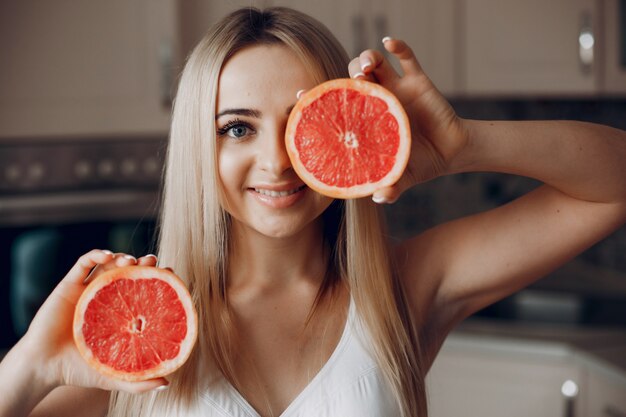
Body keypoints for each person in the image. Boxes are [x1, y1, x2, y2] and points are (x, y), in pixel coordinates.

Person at [1, 6, 625, 417]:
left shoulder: (403, 291)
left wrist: (464, 144)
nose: (277, 160)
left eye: (302, 121)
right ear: (199, 145)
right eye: (237, 128)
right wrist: (30, 366)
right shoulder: (145, 335)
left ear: (344, 124)